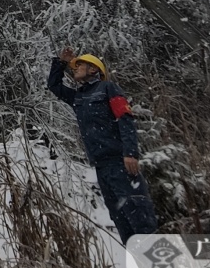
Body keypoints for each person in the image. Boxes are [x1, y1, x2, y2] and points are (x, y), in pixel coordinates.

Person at [46, 47, 158, 244]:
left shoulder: (108, 89)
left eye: (80, 65)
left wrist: (130, 153)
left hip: (120, 163)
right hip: (100, 167)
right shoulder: (78, 97)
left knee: (138, 216)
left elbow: (125, 118)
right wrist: (61, 63)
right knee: (121, 220)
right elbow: (53, 85)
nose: (76, 68)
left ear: (93, 69)